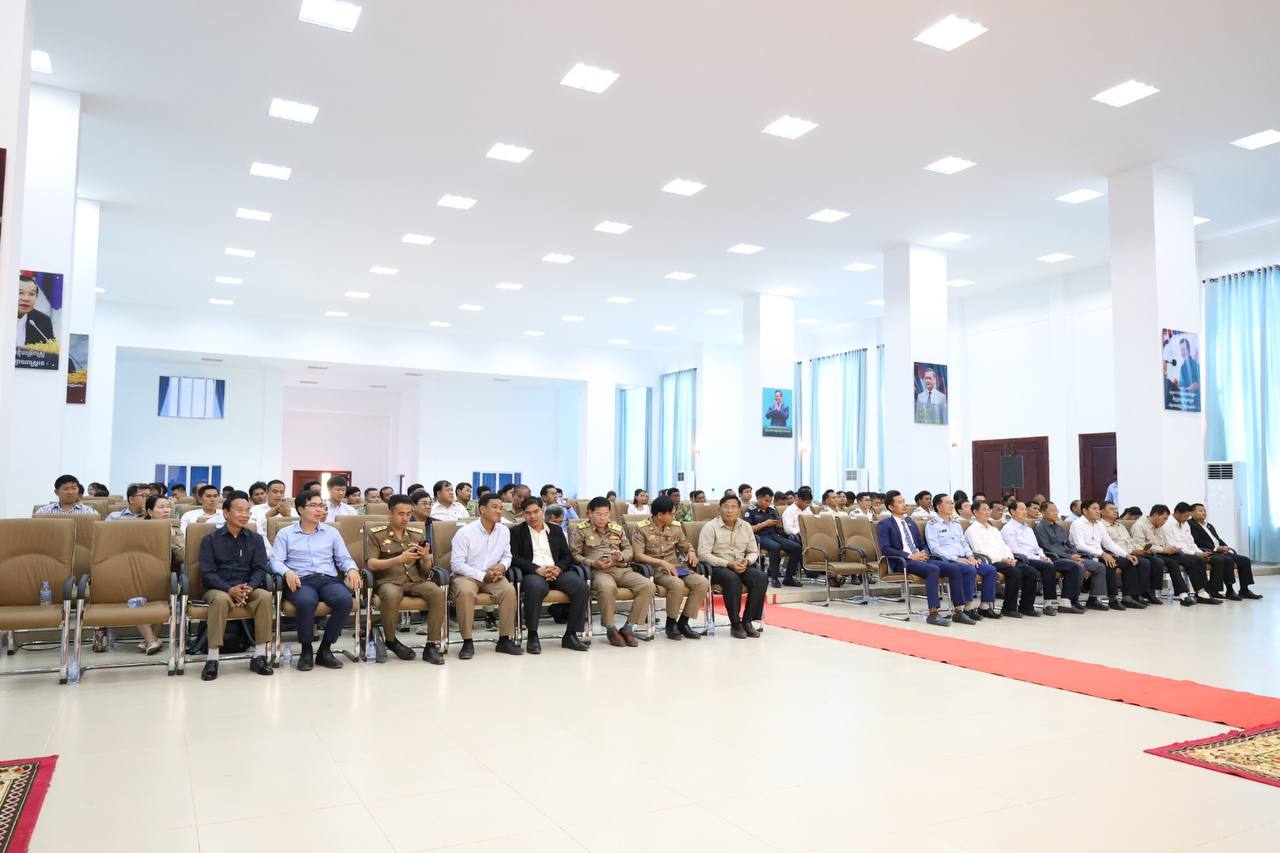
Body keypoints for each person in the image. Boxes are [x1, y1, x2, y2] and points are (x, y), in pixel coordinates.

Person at [271, 490, 362, 670]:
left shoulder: (331, 532)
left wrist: (352, 569)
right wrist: (287, 572)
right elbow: (275, 561)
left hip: (328, 579)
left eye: (321, 505)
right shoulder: (285, 533)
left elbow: (344, 558)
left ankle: (325, 650)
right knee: (306, 601)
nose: (319, 510)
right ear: (300, 509)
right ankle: (306, 650)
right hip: (301, 580)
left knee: (345, 600)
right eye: (313, 505)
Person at [197, 491, 274, 680]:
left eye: (247, 511)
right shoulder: (210, 540)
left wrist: (250, 587)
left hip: (247, 587)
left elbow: (260, 568)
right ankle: (212, 658)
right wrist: (229, 589)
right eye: (240, 510)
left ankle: (260, 655)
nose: (245, 515)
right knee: (221, 600)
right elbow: (207, 573)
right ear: (226, 513)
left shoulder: (256, 539)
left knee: (265, 596)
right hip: (218, 588)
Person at [365, 494, 446, 665]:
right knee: (392, 594)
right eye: (401, 514)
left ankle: (431, 645)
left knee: (437, 593)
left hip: (414, 580)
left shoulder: (416, 534)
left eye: (409, 514)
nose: (405, 518)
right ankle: (391, 639)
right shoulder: (376, 534)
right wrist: (399, 559)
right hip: (388, 580)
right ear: (390, 514)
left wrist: (426, 558)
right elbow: (371, 564)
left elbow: (426, 569)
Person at [510, 496, 588, 653]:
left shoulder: (556, 530)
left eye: (536, 512)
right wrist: (536, 569)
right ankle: (532, 635)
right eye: (528, 513)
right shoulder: (516, 532)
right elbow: (514, 558)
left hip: (556, 571)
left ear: (542, 510)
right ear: (523, 514)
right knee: (535, 587)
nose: (532, 516)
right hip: (533, 573)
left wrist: (558, 568)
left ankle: (571, 635)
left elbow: (567, 557)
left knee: (581, 587)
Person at [572, 496, 653, 647]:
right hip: (599, 571)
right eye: (598, 514)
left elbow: (629, 550)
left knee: (648, 586)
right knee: (607, 587)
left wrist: (621, 556)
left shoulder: (617, 528)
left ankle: (629, 627)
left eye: (605, 514)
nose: (602, 518)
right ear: (589, 513)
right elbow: (575, 555)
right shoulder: (581, 529)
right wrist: (593, 563)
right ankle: (611, 629)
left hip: (621, 569)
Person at [449, 494, 522, 658]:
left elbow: (507, 556)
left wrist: (502, 567)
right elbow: (457, 564)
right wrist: (482, 576)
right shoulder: (465, 532)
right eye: (494, 507)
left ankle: (504, 640)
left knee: (509, 591)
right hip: (466, 575)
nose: (499, 511)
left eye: (501, 508)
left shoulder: (504, 530)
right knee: (466, 593)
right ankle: (467, 641)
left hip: (493, 575)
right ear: (482, 509)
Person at [877, 491, 965, 626]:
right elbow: (886, 549)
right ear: (891, 507)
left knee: (953, 568)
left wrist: (924, 553)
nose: (904, 505)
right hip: (902, 562)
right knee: (933, 569)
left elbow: (921, 543)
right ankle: (933, 613)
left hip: (920, 559)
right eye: (900, 502)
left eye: (904, 501)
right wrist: (910, 556)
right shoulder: (885, 524)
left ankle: (959, 611)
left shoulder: (910, 521)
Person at [632, 495, 708, 640]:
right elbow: (638, 555)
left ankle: (683, 623)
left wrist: (691, 552)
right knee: (677, 584)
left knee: (702, 583)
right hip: (656, 569)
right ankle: (671, 623)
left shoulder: (675, 527)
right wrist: (661, 563)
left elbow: (686, 545)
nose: (674, 517)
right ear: (660, 515)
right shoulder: (641, 528)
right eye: (671, 514)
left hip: (676, 566)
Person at [696, 495, 767, 639]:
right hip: (718, 567)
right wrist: (728, 564)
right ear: (719, 509)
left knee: (761, 577)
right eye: (726, 507)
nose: (729, 511)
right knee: (732, 578)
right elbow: (703, 554)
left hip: (740, 564)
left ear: (739, 510)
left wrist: (747, 561)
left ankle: (747, 621)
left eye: (733, 507)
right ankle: (735, 623)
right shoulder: (710, 527)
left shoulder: (746, 526)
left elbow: (753, 551)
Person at [1002, 501, 1084, 614]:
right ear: (1012, 511)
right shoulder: (1008, 529)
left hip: (1037, 557)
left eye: (1025, 509)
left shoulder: (1028, 529)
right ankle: (1047, 604)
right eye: (1022, 509)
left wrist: (1043, 556)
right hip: (1023, 558)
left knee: (1072, 566)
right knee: (1048, 567)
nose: (1025, 512)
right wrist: (1038, 558)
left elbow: (1037, 547)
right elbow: (1014, 550)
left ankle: (1066, 602)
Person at [964, 500, 1039, 617]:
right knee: (1014, 572)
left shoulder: (993, 529)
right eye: (984, 510)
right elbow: (979, 551)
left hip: (1005, 559)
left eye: (988, 510)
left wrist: (1010, 558)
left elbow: (1004, 545)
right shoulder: (972, 530)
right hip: (990, 561)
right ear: (975, 512)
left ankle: (1026, 607)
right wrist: (1002, 559)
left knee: (1031, 571)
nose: (987, 512)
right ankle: (1009, 608)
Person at [924, 495, 992, 621]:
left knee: (989, 570)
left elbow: (963, 543)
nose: (951, 505)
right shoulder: (932, 525)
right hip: (947, 560)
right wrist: (956, 559)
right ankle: (967, 607)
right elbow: (934, 548)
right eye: (947, 503)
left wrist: (970, 556)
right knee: (969, 570)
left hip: (964, 558)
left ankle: (984, 606)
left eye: (951, 503)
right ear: (938, 507)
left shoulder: (956, 523)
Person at [1070, 500, 1145, 610]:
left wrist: (1126, 555)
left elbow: (1109, 543)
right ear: (1085, 511)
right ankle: (1112, 599)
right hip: (1084, 555)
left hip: (1099, 555)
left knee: (1128, 562)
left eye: (1098, 509)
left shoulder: (1099, 524)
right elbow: (1079, 545)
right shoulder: (1077, 524)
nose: (1098, 511)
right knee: (1109, 563)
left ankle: (1128, 597)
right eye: (1094, 509)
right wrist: (1102, 554)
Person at [1036, 502, 1108, 611]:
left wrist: (1074, 554)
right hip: (1055, 558)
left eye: (1056, 510)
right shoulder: (1040, 528)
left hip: (1069, 556)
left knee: (1099, 567)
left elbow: (1069, 544)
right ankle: (1071, 599)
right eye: (1052, 511)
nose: (1055, 513)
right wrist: (1070, 557)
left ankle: (1093, 599)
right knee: (1079, 566)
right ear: (1042, 512)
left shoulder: (1059, 527)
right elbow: (1047, 548)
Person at [1129, 505, 1201, 606]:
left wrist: (1171, 548)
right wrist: (1163, 550)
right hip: (1148, 554)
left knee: (1189, 560)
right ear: (1156, 515)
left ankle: (1195, 593)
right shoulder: (1139, 525)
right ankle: (1153, 592)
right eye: (1164, 518)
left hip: (1161, 553)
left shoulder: (1159, 527)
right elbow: (1140, 546)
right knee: (1171, 563)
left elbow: (1164, 542)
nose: (1165, 521)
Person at [1189, 502, 1261, 600]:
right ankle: (1230, 590)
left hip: (1219, 550)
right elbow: (1197, 541)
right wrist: (1216, 548)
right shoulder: (1190, 525)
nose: (1204, 513)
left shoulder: (1208, 525)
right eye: (1200, 511)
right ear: (1192, 513)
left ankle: (1244, 590)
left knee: (1245, 560)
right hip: (1208, 551)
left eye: (1205, 511)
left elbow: (1217, 539)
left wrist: (1225, 547)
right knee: (1228, 560)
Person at [1101, 501, 1161, 606]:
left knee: (1156, 561)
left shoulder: (1120, 525)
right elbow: (1109, 546)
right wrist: (1131, 552)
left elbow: (1131, 541)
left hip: (1131, 552)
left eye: (1115, 509)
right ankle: (1136, 595)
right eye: (1111, 509)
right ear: (1102, 512)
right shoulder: (1101, 526)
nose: (1115, 511)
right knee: (1144, 563)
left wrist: (1141, 550)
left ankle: (1148, 592)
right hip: (1117, 554)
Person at [1167, 502, 1226, 602]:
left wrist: (1200, 552)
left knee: (1206, 558)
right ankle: (1201, 593)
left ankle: (1205, 592)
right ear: (1177, 513)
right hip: (1177, 552)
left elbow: (1191, 542)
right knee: (1198, 560)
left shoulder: (1185, 524)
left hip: (1189, 552)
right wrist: (1196, 553)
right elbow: (1173, 545)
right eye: (1186, 516)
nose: (1187, 519)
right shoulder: (1168, 524)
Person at [747, 486, 800, 588]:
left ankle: (789, 578)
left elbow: (779, 530)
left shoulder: (771, 511)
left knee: (796, 547)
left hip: (774, 535)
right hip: (760, 537)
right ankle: (774, 578)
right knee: (775, 547)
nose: (768, 503)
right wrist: (764, 524)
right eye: (766, 500)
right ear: (758, 498)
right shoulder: (750, 511)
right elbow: (747, 529)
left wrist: (779, 526)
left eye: (769, 501)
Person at [248, 479, 292, 546]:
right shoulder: (255, 509)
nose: (279, 495)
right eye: (275, 492)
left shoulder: (291, 510)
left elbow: (298, 532)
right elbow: (250, 530)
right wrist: (267, 516)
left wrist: (288, 516)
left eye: (282, 492)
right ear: (267, 492)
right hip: (261, 546)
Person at [16, 274, 55, 344]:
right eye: (20, 293)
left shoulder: (43, 321)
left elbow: (50, 348)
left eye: (31, 294)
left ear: (36, 296)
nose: (26, 299)